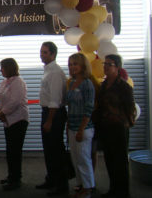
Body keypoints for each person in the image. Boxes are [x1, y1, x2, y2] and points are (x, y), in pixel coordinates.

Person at [94, 54, 136, 198]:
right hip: (106, 128)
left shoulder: (123, 86)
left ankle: (123, 192)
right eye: (104, 64)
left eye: (109, 64)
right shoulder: (104, 85)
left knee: (120, 162)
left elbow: (130, 108)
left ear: (117, 67)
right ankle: (113, 190)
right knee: (110, 160)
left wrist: (125, 123)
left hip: (119, 128)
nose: (105, 66)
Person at [36, 41, 69, 197]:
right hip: (48, 113)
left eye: (45, 52)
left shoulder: (55, 72)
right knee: (49, 150)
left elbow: (55, 100)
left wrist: (49, 121)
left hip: (53, 114)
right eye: (41, 52)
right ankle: (51, 179)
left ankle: (61, 185)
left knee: (56, 151)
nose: (42, 55)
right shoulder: (48, 70)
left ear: (53, 54)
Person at [66, 53, 95, 198]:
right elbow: (70, 106)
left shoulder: (87, 83)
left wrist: (81, 129)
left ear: (83, 66)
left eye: (75, 64)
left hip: (84, 128)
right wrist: (68, 126)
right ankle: (81, 184)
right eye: (70, 64)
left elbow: (89, 108)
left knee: (84, 159)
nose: (72, 67)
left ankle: (88, 188)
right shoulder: (71, 82)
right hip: (72, 127)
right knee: (75, 159)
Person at [0, 58, 29, 191]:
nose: (0, 70)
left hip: (18, 120)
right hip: (8, 121)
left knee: (15, 151)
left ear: (9, 68)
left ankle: (16, 179)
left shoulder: (18, 82)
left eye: (2, 68)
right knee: (10, 151)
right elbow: (0, 98)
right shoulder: (5, 82)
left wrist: (3, 112)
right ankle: (11, 176)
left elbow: (16, 101)